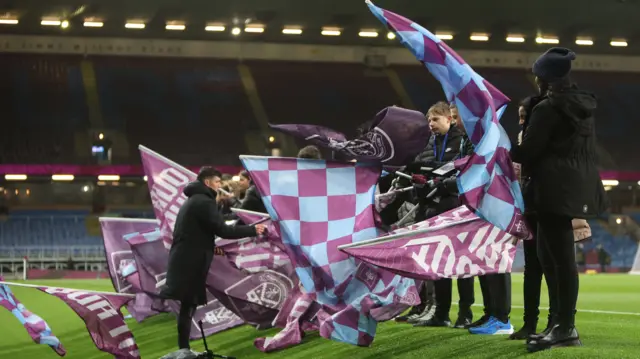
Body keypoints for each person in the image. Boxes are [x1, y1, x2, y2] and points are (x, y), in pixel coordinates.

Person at [510, 47, 608, 352]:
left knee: (557, 261)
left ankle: (564, 327)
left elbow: (528, 152)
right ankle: (559, 324)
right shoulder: (577, 104)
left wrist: (503, 149)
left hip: (552, 190)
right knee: (554, 258)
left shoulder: (549, 108)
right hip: (568, 189)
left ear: (544, 78)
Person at [160, 167, 266, 359]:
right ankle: (183, 351)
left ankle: (183, 349)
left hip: (186, 259)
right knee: (188, 304)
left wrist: (210, 244)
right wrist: (253, 230)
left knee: (187, 305)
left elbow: (200, 230)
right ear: (208, 183)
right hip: (191, 262)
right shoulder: (204, 201)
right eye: (217, 182)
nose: (220, 185)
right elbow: (222, 230)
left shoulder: (195, 200)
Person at [406, 101, 475, 329]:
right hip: (431, 208)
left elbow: (459, 170)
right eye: (429, 120)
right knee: (439, 262)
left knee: (462, 261)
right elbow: (421, 171)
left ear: (449, 119)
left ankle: (465, 313)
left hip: (455, 207)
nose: (431, 124)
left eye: (435, 119)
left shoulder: (461, 141)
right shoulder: (427, 144)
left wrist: (435, 175)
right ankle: (441, 313)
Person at [509, 95, 554, 341]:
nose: (521, 121)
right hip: (529, 206)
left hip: (547, 204)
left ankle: (556, 322)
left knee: (550, 267)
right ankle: (529, 323)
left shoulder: (545, 138)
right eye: (519, 117)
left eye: (525, 116)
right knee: (532, 268)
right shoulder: (522, 139)